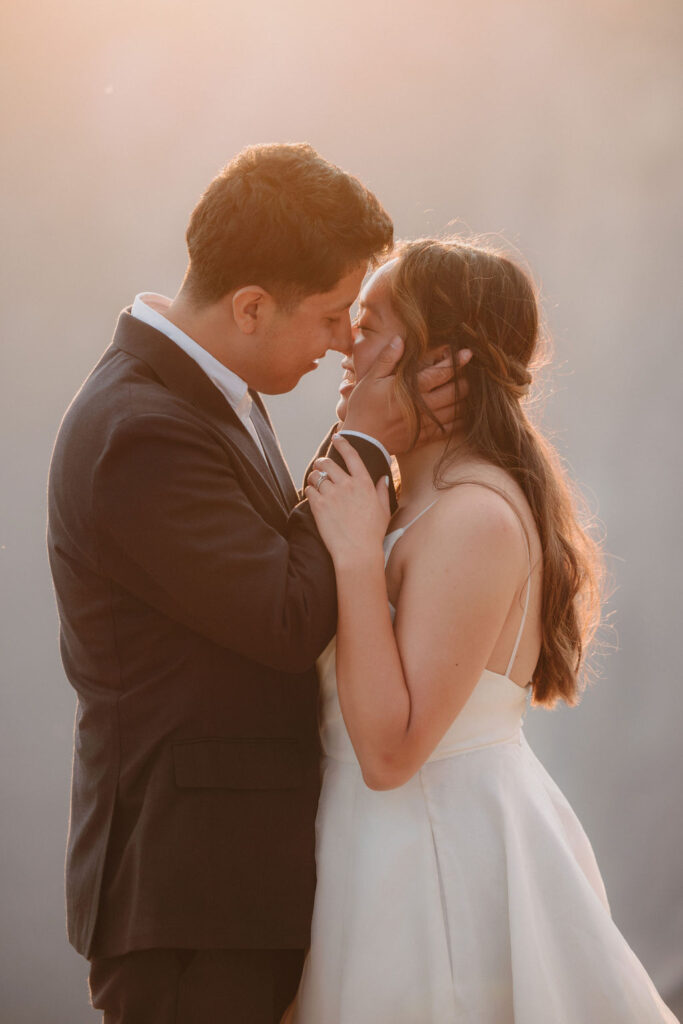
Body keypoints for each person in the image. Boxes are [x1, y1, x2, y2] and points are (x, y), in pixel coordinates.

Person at [46, 146, 469, 1024]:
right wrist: (365, 440)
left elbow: (275, 559)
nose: (343, 340)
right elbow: (281, 613)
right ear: (249, 307)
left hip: (230, 892)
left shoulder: (204, 392)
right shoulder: (140, 430)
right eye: (328, 316)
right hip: (190, 905)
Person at [287, 238, 679, 1023]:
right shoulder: (403, 498)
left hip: (434, 863)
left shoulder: (475, 516)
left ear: (435, 355)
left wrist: (360, 560)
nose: (345, 346)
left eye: (367, 326)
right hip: (369, 852)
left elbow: (392, 751)